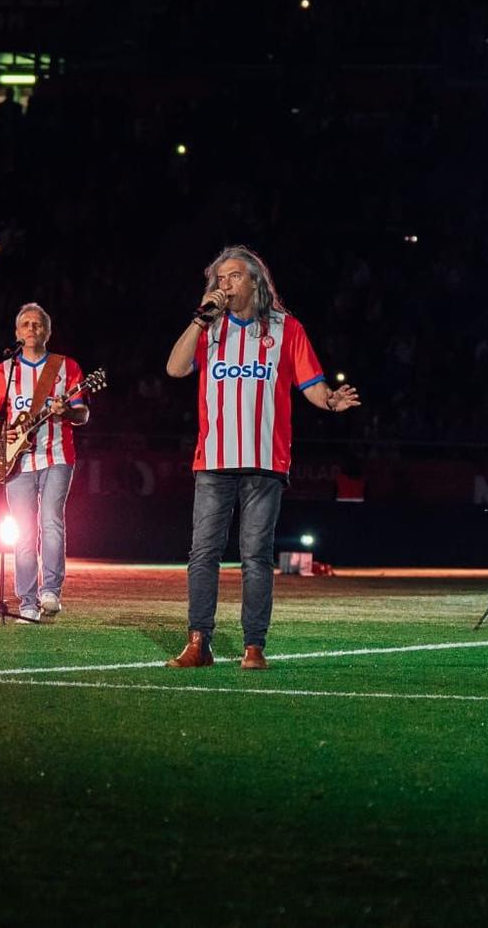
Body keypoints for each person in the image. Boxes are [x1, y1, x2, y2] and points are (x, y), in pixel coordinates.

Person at [162, 246, 359, 669]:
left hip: (265, 462)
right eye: (220, 278)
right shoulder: (209, 329)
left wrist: (330, 402)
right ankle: (199, 642)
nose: (225, 284)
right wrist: (199, 321)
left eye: (233, 276)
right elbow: (175, 369)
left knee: (255, 555)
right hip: (213, 460)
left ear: (255, 281)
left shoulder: (286, 329)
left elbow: (311, 384)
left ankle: (254, 645)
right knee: (204, 553)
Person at [0, 303, 90, 621]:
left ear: (47, 332)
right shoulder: (5, 370)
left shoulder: (66, 367)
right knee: (24, 530)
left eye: (38, 324)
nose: (31, 329)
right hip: (17, 462)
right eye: (25, 324)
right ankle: (26, 600)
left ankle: (50, 591)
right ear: (17, 332)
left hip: (58, 456)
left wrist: (65, 411)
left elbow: (83, 414)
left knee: (51, 521)